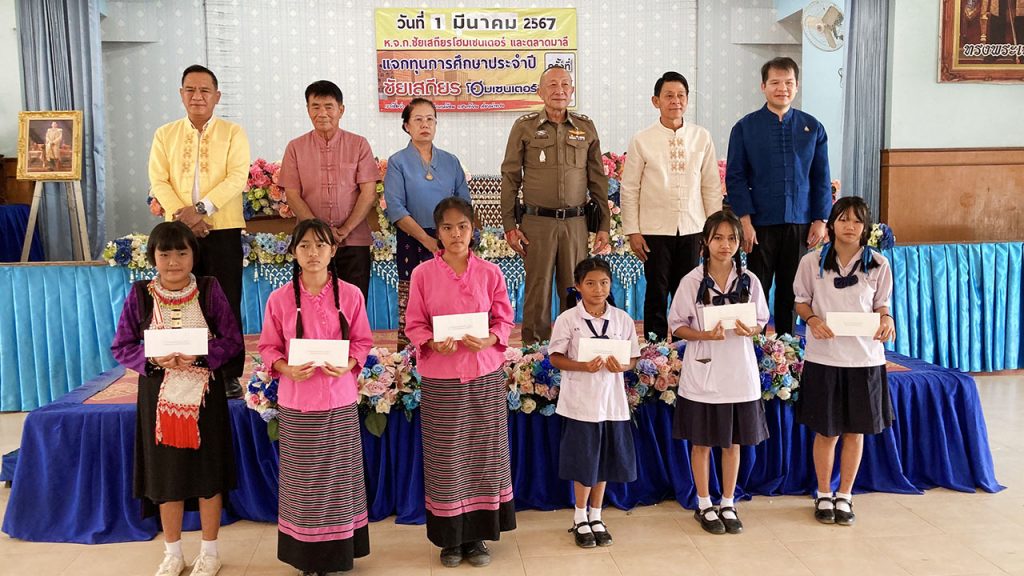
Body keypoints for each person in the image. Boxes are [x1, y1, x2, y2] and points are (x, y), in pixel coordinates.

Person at [111, 221, 242, 576]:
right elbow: (122, 346)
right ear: (152, 257)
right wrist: (151, 359)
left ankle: (210, 552)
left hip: (205, 398)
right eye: (164, 254)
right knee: (165, 477)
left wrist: (201, 356)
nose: (173, 262)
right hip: (158, 400)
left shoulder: (210, 289)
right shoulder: (140, 294)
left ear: (193, 255)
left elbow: (232, 341)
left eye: (182, 253)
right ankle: (173, 553)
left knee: (208, 474)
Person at [404, 197, 516, 568]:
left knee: (484, 453)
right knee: (446, 456)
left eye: (463, 226)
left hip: (484, 374)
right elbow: (414, 324)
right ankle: (450, 539)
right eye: (448, 227)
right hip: (442, 379)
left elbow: (504, 319)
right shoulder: (423, 274)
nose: (456, 234)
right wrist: (431, 341)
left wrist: (490, 338)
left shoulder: (490, 272)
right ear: (437, 232)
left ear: (473, 229)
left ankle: (478, 537)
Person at [257, 218, 374, 575]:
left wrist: (349, 363)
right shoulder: (279, 299)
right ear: (293, 252)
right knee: (303, 482)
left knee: (339, 479)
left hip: (339, 400)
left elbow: (362, 341)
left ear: (333, 250)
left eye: (320, 245)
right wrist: (286, 368)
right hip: (298, 403)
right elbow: (268, 347)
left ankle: (338, 554)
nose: (313, 253)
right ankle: (307, 557)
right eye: (304, 246)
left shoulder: (350, 295)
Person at [793, 196, 896, 526]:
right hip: (824, 358)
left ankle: (845, 495)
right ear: (832, 224)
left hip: (864, 359)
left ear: (865, 227)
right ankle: (824, 493)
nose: (850, 226)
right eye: (843, 219)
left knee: (854, 433)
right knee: (827, 433)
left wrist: (887, 320)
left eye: (857, 220)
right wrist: (812, 321)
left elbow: (882, 305)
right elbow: (800, 301)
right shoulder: (811, 261)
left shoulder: (878, 263)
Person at [149, 64, 250, 397]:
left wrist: (202, 209)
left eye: (205, 90)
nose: (197, 96)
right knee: (180, 299)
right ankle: (183, 368)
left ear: (217, 96)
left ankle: (228, 374)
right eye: (190, 90)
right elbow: (158, 180)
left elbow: (237, 177)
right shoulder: (165, 134)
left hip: (222, 228)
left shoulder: (233, 133)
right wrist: (185, 217)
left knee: (225, 302)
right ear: (181, 94)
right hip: (178, 233)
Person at [668, 210, 770, 535]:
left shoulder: (750, 280)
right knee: (701, 442)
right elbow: (677, 325)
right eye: (718, 238)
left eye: (732, 239)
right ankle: (703, 503)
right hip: (704, 370)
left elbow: (762, 320)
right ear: (705, 242)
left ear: (740, 243)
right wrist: (703, 335)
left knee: (732, 442)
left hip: (738, 370)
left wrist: (751, 329)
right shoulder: (691, 281)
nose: (725, 245)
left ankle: (727, 501)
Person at [500, 65, 610, 344]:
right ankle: (534, 354)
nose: (559, 90)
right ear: (540, 91)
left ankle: (572, 347)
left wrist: (604, 226)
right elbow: (510, 177)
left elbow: (598, 179)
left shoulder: (585, 127)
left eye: (564, 85)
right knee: (537, 291)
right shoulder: (524, 127)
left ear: (572, 91)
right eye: (552, 85)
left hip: (575, 223)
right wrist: (510, 225)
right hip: (537, 223)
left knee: (574, 289)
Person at [725, 57, 831, 336]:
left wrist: (820, 220)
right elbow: (735, 177)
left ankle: (786, 347)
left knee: (792, 289)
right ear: (763, 86)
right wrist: (744, 222)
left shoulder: (813, 127)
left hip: (800, 223)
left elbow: (821, 177)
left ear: (797, 86)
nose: (782, 88)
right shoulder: (745, 127)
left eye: (788, 83)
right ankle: (755, 345)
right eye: (775, 82)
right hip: (759, 224)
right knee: (757, 287)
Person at [620, 71, 723, 342]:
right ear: (656, 101)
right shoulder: (642, 139)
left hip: (693, 227)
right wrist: (633, 231)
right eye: (668, 96)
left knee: (688, 291)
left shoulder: (701, 137)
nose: (675, 101)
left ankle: (685, 348)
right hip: (655, 229)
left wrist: (712, 232)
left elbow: (711, 186)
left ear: (687, 100)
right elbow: (630, 188)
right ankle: (655, 351)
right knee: (657, 290)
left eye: (681, 95)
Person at [548, 257, 640, 548]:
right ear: (578, 286)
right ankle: (579, 516)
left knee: (605, 460)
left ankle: (597, 515)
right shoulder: (568, 319)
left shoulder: (622, 319)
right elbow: (555, 357)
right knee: (584, 460)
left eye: (603, 283)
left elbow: (633, 357)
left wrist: (623, 366)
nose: (598, 289)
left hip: (611, 402)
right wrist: (581, 366)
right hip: (581, 402)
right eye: (590, 283)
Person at [279, 80, 380, 300]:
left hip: (353, 241)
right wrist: (320, 233)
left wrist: (345, 229)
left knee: (353, 303)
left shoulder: (359, 144)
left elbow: (368, 193)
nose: (322, 113)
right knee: (310, 304)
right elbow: (292, 194)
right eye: (315, 107)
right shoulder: (295, 147)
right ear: (308, 110)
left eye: (328, 106)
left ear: (341, 110)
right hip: (310, 245)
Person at [384, 98, 471, 350]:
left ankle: (454, 347)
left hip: (451, 241)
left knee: (451, 297)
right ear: (406, 126)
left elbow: (464, 204)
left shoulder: (451, 161)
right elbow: (396, 208)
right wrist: (428, 241)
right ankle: (411, 357)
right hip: (413, 240)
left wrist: (451, 237)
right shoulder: (398, 162)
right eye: (418, 119)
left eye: (430, 119)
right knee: (414, 299)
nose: (425, 125)